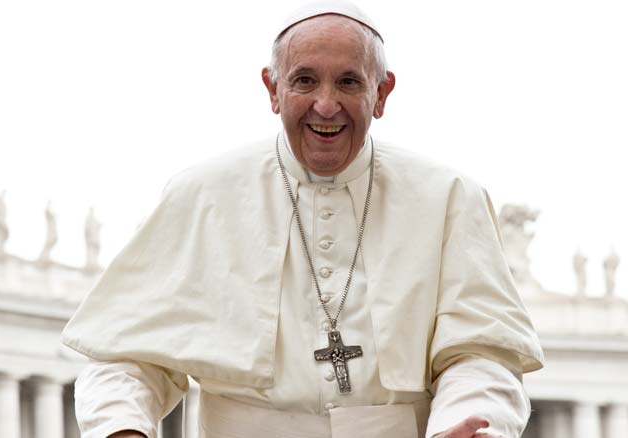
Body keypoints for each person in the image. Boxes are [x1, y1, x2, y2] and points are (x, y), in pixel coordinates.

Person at [61, 2, 544, 437]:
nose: (326, 104)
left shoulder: (450, 198)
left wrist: (460, 424)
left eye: (349, 81)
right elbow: (126, 355)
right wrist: (121, 428)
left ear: (382, 92)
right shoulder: (201, 194)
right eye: (305, 80)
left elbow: (482, 352)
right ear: (273, 89)